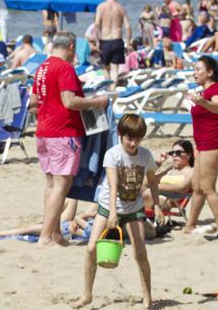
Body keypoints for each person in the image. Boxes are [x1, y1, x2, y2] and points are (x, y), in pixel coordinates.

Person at [72, 114, 160, 309]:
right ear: (121, 135)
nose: (133, 143)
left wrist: (157, 205)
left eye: (137, 138)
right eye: (129, 138)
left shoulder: (145, 155)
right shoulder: (113, 154)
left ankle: (147, 298)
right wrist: (112, 213)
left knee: (140, 253)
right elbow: (113, 185)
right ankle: (87, 294)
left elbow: (153, 180)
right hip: (107, 206)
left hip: (133, 208)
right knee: (91, 248)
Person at [32, 31, 109, 247]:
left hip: (44, 131)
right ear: (72, 47)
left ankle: (55, 232)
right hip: (63, 131)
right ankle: (46, 236)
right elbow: (69, 101)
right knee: (61, 185)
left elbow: (33, 101)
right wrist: (96, 101)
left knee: (51, 184)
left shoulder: (42, 68)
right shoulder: (64, 67)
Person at [184, 56, 218, 237]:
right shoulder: (202, 91)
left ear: (209, 72)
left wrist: (201, 101)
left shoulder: (216, 88)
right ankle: (190, 224)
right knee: (197, 186)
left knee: (208, 187)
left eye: (198, 69)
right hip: (202, 144)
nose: (194, 73)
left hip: (213, 143)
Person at [94, 0, 131, 81]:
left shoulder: (101, 7)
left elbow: (97, 24)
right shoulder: (121, 8)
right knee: (115, 69)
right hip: (117, 40)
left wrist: (97, 41)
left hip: (105, 40)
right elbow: (128, 27)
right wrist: (128, 43)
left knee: (105, 67)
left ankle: (107, 89)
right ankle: (113, 89)